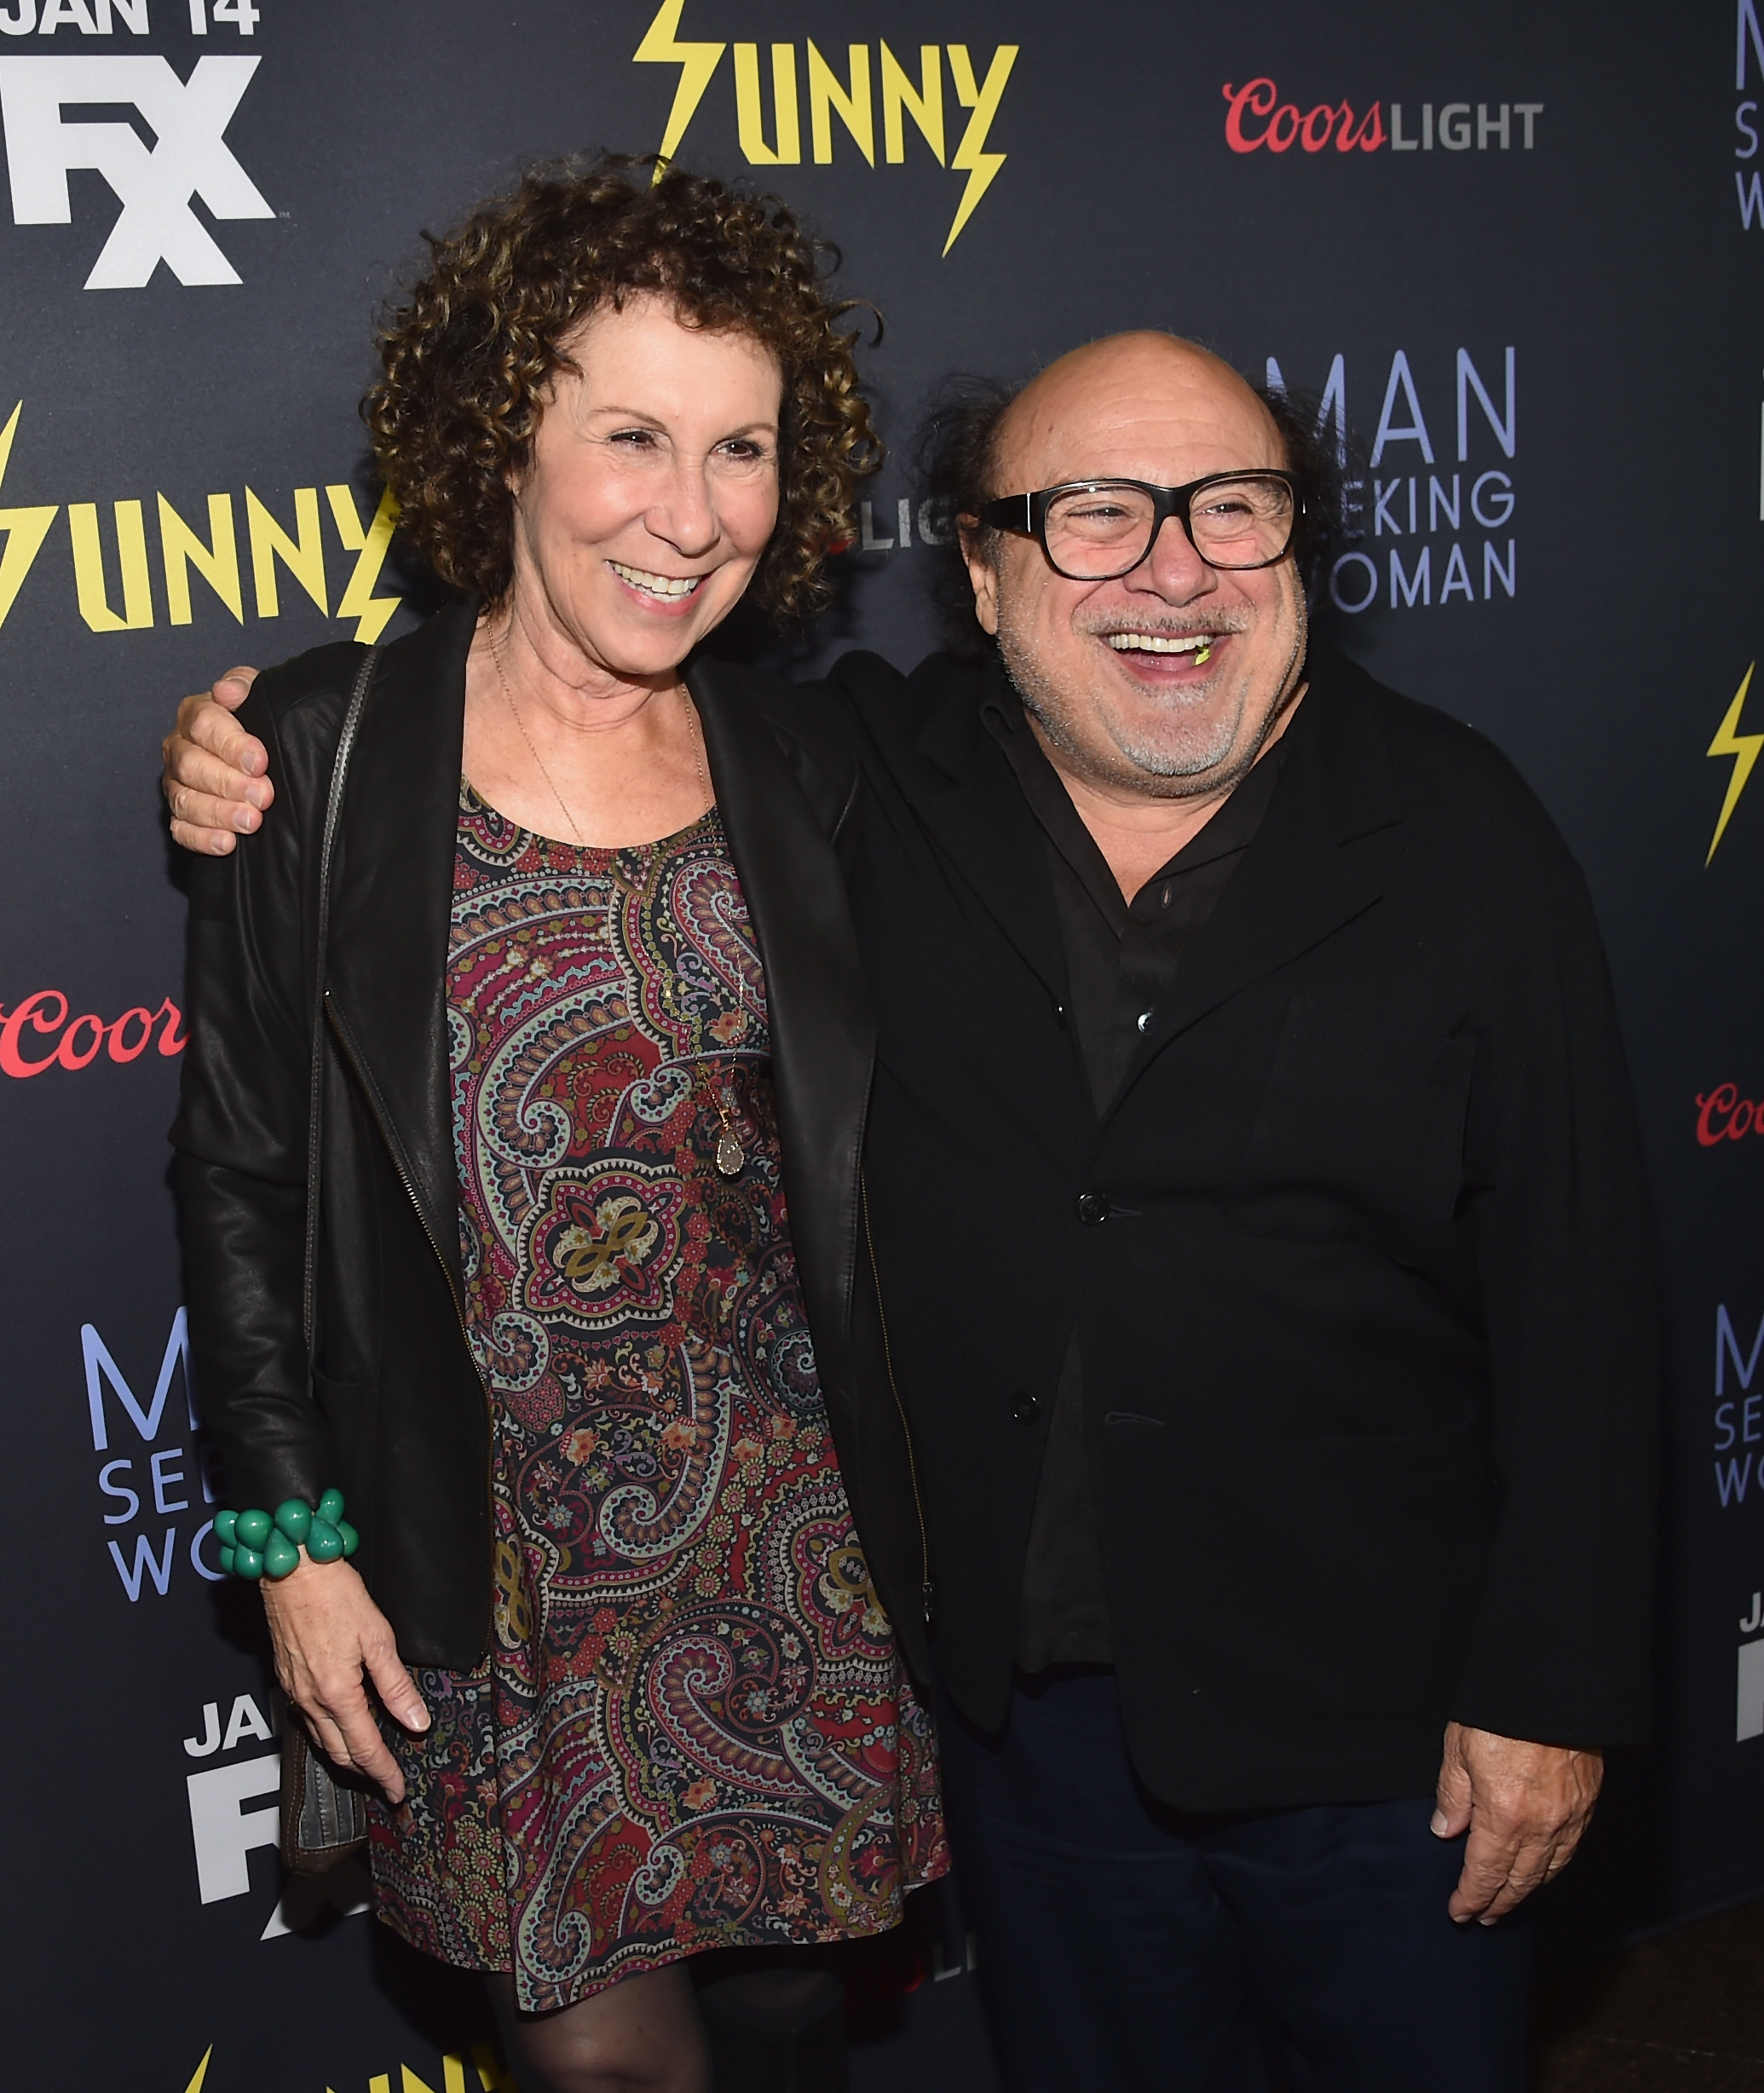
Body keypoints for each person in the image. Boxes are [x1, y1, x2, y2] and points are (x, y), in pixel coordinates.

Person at [164, 327, 1657, 2092]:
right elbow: (285, 1111)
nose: (1173, 572)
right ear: (983, 568)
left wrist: (1554, 1691)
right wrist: (232, 743)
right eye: (1095, 515)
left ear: (1298, 550)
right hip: (1030, 1733)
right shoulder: (873, 777)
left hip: (1386, 1731)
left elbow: (1587, 1298)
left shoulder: (1465, 832)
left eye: (1234, 512)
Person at [170, 156, 946, 2093]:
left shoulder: (817, 754)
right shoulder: (319, 756)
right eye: (630, 436)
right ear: (501, 435)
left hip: (792, 1536)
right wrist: (290, 1538)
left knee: (780, 2025)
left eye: (743, 450)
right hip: (487, 1561)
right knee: (602, 2068)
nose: (691, 517)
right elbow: (242, 1168)